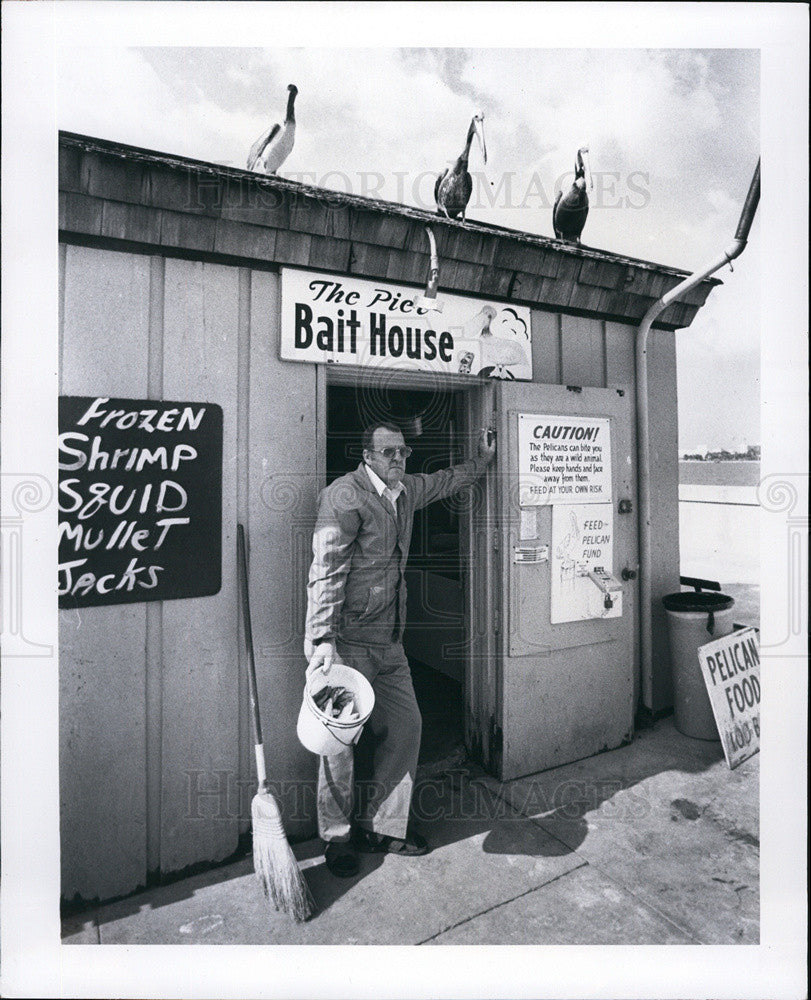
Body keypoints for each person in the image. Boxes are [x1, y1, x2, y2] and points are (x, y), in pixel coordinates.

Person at [304, 420, 496, 876]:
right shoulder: (344, 496)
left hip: (390, 641)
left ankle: (381, 826)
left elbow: (447, 481)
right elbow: (325, 570)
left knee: (408, 727)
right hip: (346, 643)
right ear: (367, 456)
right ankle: (336, 838)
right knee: (339, 745)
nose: (398, 460)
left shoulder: (405, 490)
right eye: (388, 452)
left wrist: (484, 460)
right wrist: (323, 638)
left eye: (403, 452)